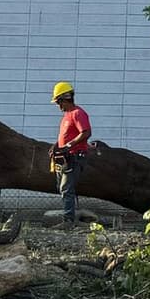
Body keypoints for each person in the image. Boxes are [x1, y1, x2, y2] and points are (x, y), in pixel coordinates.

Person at [50, 81, 91, 223]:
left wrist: (69, 145)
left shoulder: (78, 113)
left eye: (58, 102)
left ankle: (68, 221)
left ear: (64, 99)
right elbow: (66, 136)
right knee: (62, 188)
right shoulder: (66, 116)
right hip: (65, 157)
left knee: (66, 188)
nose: (58, 106)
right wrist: (56, 146)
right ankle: (70, 217)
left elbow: (86, 133)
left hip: (75, 156)